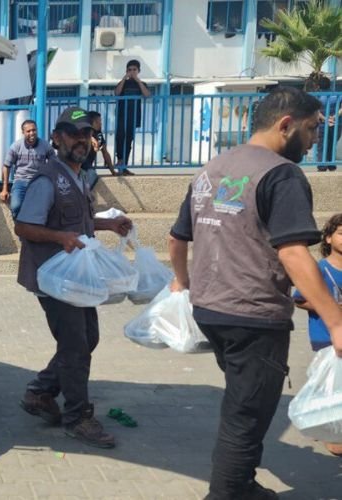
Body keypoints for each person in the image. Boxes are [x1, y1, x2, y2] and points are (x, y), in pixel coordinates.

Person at [168, 87, 342, 499]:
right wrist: (336, 322)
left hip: (210, 310)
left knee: (245, 402)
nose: (317, 138)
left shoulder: (212, 168)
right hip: (254, 316)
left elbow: (177, 240)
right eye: (313, 128)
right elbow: (295, 253)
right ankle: (227, 493)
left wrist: (184, 283)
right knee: (245, 414)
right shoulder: (281, 173)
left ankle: (242, 483)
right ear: (286, 125)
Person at [15, 107, 133, 448]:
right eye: (71, 133)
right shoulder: (46, 178)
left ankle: (40, 392)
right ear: (56, 138)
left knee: (87, 338)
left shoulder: (78, 176)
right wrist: (59, 238)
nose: (80, 140)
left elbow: (77, 222)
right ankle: (78, 417)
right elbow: (24, 226)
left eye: (85, 134)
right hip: (55, 279)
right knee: (76, 346)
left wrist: (107, 224)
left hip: (76, 278)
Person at [292, 213, 342, 456]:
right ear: (329, 238)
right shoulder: (318, 269)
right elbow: (299, 299)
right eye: (341, 233)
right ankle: (329, 431)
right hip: (325, 337)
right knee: (329, 387)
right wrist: (329, 305)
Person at [0, 119, 52, 219]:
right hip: (20, 181)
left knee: (41, 210)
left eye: (34, 130)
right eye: (28, 131)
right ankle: (21, 229)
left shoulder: (45, 146)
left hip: (39, 182)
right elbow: (6, 166)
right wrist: (4, 189)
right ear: (23, 132)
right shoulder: (16, 146)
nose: (32, 133)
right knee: (16, 206)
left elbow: (54, 163)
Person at [114, 59, 150, 175]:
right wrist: (125, 78)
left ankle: (124, 166)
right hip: (121, 115)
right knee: (120, 138)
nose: (132, 72)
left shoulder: (141, 84)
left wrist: (137, 80)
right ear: (126, 71)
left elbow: (147, 95)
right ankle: (119, 161)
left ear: (139, 71)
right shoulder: (123, 83)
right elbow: (117, 93)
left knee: (129, 140)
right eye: (130, 70)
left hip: (133, 116)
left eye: (134, 70)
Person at [80, 111, 118, 189]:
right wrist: (91, 139)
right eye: (98, 122)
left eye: (100, 121)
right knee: (91, 174)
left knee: (92, 175)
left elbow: (105, 152)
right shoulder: (83, 131)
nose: (100, 124)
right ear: (91, 122)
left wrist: (113, 171)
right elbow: (87, 136)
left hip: (88, 166)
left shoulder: (99, 134)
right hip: (79, 163)